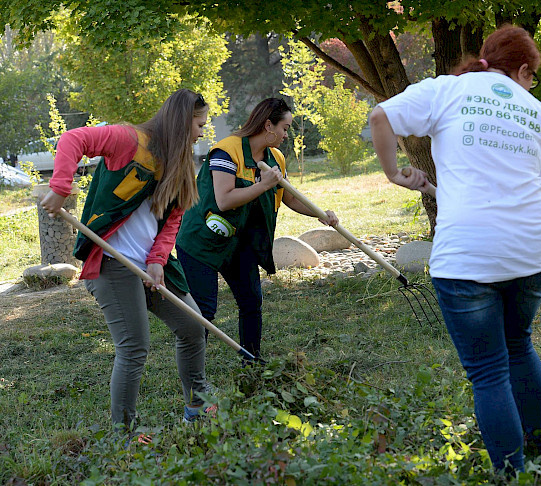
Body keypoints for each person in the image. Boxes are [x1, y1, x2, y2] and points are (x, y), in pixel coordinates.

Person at [369, 25, 541, 472]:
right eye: (533, 76)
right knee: (518, 344)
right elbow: (537, 190)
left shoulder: (448, 91)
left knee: (489, 371)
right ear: (525, 70)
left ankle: (512, 473)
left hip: (467, 255)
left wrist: (395, 173)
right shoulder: (540, 114)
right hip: (531, 248)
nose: (532, 85)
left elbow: (380, 117)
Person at [41, 88, 215, 433]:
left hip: (150, 265)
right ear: (182, 122)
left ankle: (196, 405)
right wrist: (61, 187)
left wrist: (157, 260)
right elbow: (73, 138)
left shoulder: (179, 164)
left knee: (194, 326)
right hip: (110, 261)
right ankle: (124, 433)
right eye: (198, 124)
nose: (201, 132)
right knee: (134, 346)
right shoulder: (129, 140)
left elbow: (172, 221)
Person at [175, 98, 338, 362]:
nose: (287, 135)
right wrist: (262, 185)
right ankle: (195, 376)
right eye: (284, 128)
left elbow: (290, 197)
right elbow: (224, 200)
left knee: (251, 302)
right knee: (203, 310)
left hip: (241, 243)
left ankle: (252, 363)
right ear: (268, 125)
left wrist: (321, 214)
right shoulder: (226, 152)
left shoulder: (276, 159)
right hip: (201, 242)